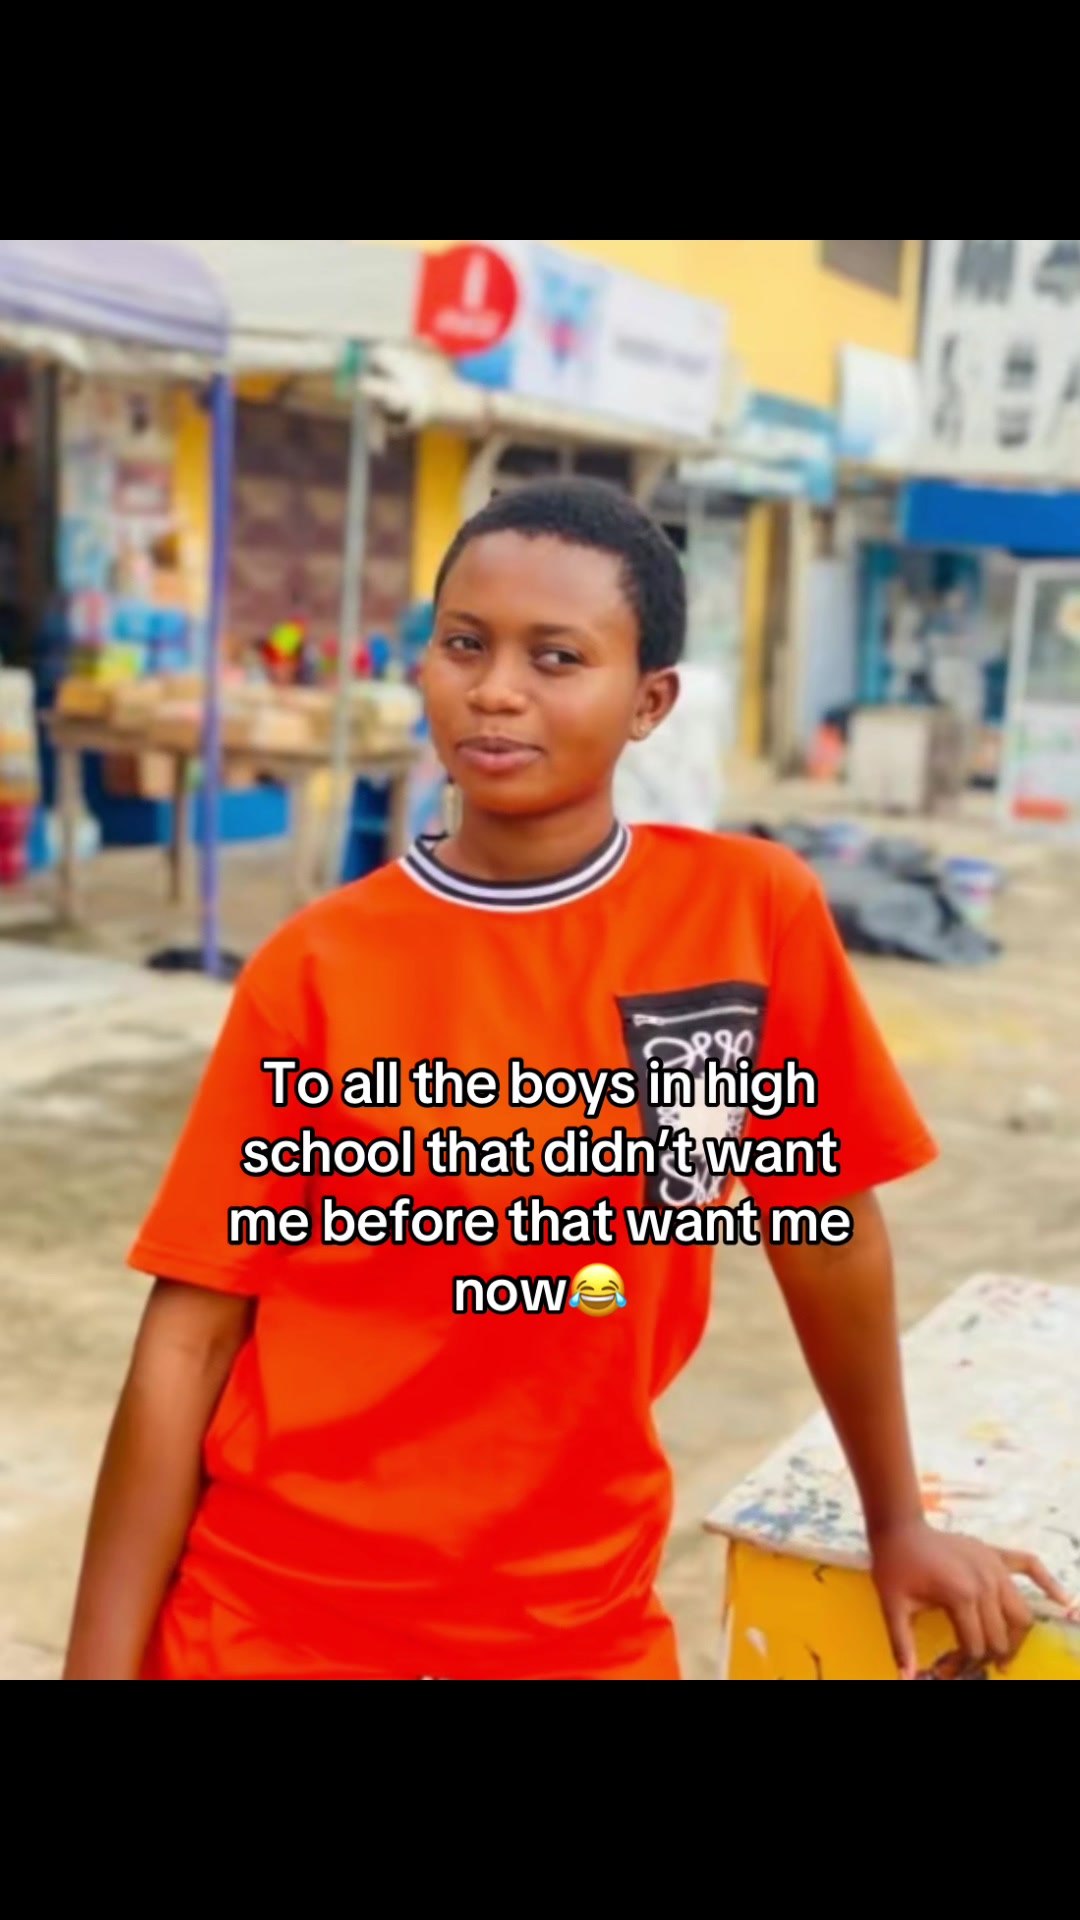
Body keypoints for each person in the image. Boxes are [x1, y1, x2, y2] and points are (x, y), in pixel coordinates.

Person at [64, 480, 1071, 1683]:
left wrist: (897, 1520)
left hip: (576, 1626)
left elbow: (826, 1236)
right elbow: (189, 1338)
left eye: (557, 657)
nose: (497, 689)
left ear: (650, 702)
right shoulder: (317, 969)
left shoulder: (746, 919)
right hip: (276, 1620)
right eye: (464, 645)